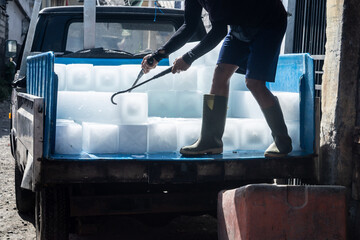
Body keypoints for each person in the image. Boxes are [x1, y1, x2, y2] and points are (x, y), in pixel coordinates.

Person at [141, 0, 292, 158]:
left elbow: (218, 32)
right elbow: (189, 25)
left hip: (268, 24)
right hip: (239, 27)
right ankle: (211, 141)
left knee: (254, 83)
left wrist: (188, 58)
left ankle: (282, 141)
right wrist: (157, 56)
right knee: (220, 75)